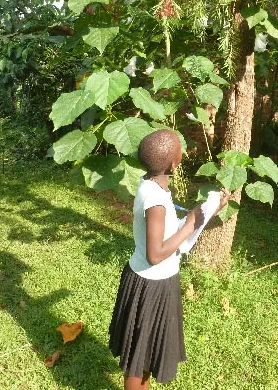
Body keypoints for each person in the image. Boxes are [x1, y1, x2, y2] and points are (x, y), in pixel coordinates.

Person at [109, 129, 231, 390]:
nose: (183, 151)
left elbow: (168, 227)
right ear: (173, 163)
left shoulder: (154, 185)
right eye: (180, 148)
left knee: (147, 351)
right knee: (138, 361)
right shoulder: (155, 202)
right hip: (150, 286)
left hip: (160, 282)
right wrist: (189, 226)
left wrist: (205, 212)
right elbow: (155, 254)